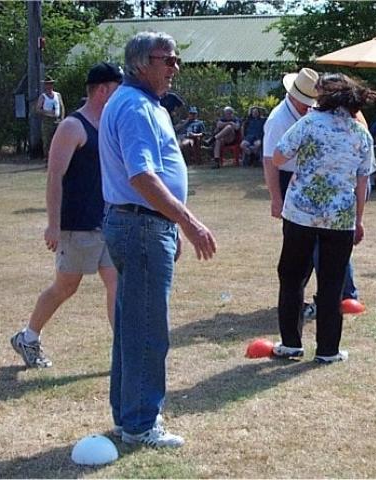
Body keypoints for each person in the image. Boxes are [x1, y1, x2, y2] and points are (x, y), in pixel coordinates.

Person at [99, 31, 217, 448]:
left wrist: (170, 224)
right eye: (166, 59)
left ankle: (129, 417)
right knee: (148, 327)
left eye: (176, 58)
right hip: (141, 224)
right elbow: (142, 175)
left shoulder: (142, 104)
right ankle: (140, 423)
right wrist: (187, 222)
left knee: (133, 325)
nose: (175, 67)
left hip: (144, 224)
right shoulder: (135, 107)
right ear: (140, 63)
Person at [10, 63, 123, 369]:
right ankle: (28, 337)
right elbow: (54, 176)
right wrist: (54, 225)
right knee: (66, 287)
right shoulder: (73, 126)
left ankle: (123, 352)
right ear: (102, 90)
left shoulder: (110, 125)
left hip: (108, 222)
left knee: (117, 284)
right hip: (77, 224)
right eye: (117, 89)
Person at [271, 73, 376, 364]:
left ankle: (291, 344)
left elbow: (278, 157)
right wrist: (359, 219)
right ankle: (328, 350)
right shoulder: (360, 133)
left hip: (301, 214)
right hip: (340, 218)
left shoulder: (308, 123)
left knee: (292, 278)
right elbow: (362, 180)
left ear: (324, 96)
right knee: (331, 284)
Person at [263, 67, 365, 319]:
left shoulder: (310, 120)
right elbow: (271, 160)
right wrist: (276, 198)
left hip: (317, 189)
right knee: (307, 254)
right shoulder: (279, 119)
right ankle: (324, 302)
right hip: (302, 183)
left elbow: (277, 156)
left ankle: (342, 295)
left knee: (320, 252)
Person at [36, 77, 65, 160]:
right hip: (47, 122)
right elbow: (38, 109)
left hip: (57, 120)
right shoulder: (43, 96)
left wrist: (62, 119)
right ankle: (47, 159)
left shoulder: (57, 95)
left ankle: (57, 158)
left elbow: (62, 107)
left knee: (58, 141)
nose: (49, 86)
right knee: (47, 141)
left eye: (50, 84)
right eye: (47, 84)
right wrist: (47, 112)